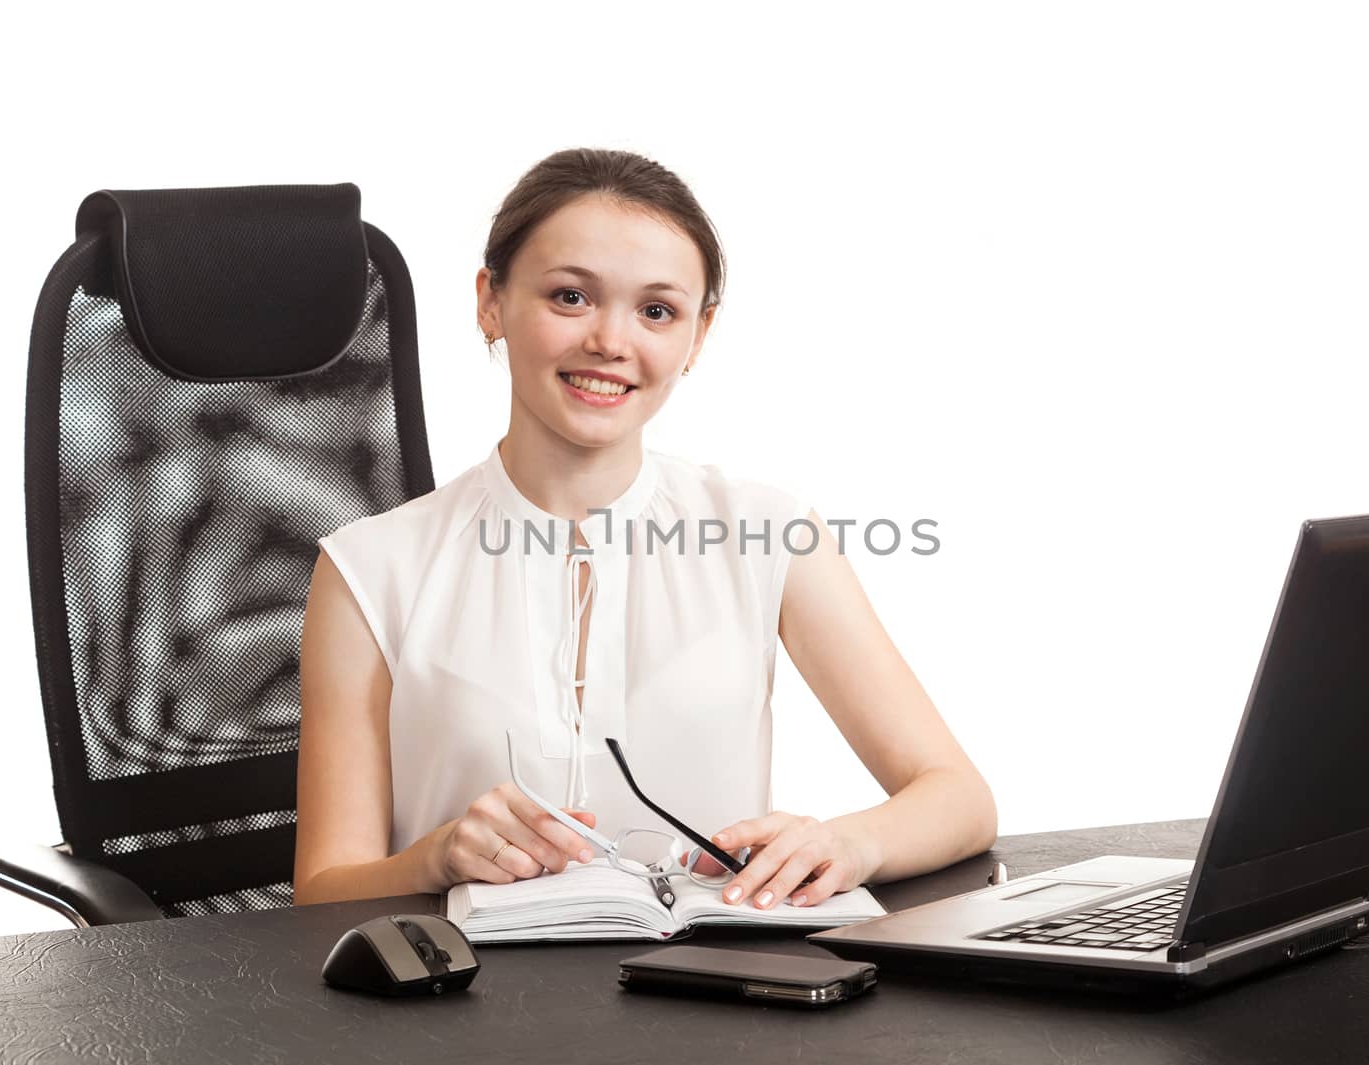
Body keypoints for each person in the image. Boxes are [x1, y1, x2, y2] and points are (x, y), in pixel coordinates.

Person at [293, 148, 997, 913]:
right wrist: (435, 856)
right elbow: (324, 890)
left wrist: (849, 842)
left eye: (656, 311)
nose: (611, 342)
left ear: (698, 336)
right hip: (459, 1010)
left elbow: (958, 797)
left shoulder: (768, 533)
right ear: (490, 302)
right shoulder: (371, 567)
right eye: (570, 297)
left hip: (711, 1000)